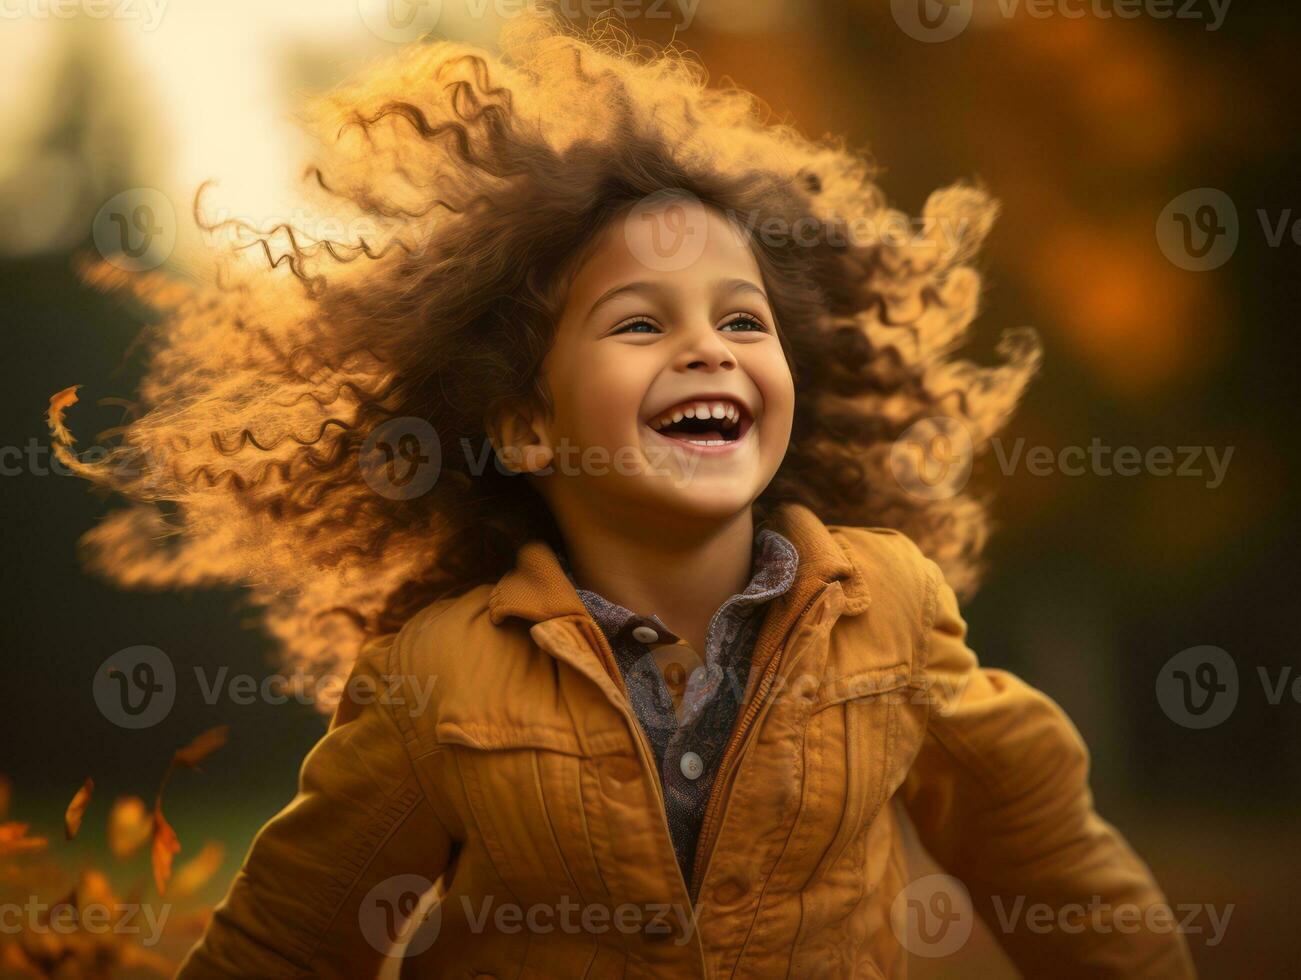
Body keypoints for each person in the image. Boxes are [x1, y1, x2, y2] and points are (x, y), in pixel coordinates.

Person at [56, 11, 1194, 978]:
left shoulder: (889, 608)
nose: (707, 347)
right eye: (641, 322)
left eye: (741, 318)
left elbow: (1052, 861)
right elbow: (288, 946)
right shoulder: (440, 677)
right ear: (523, 425)